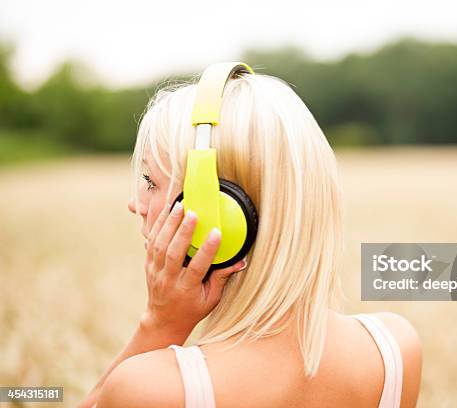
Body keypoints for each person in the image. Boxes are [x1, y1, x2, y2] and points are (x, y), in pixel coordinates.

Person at [79, 67, 422, 408]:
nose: (136, 204)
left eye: (151, 181)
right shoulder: (393, 348)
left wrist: (159, 324)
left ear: (221, 212)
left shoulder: (153, 390)